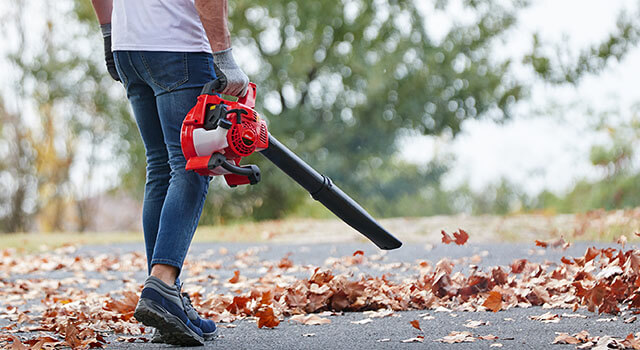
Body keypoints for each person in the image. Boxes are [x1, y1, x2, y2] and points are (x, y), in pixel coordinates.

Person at [90, 0, 249, 346]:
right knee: (189, 165)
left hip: (128, 47)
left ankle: (166, 296)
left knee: (160, 167)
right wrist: (224, 59)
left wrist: (109, 34)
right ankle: (162, 284)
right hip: (178, 47)